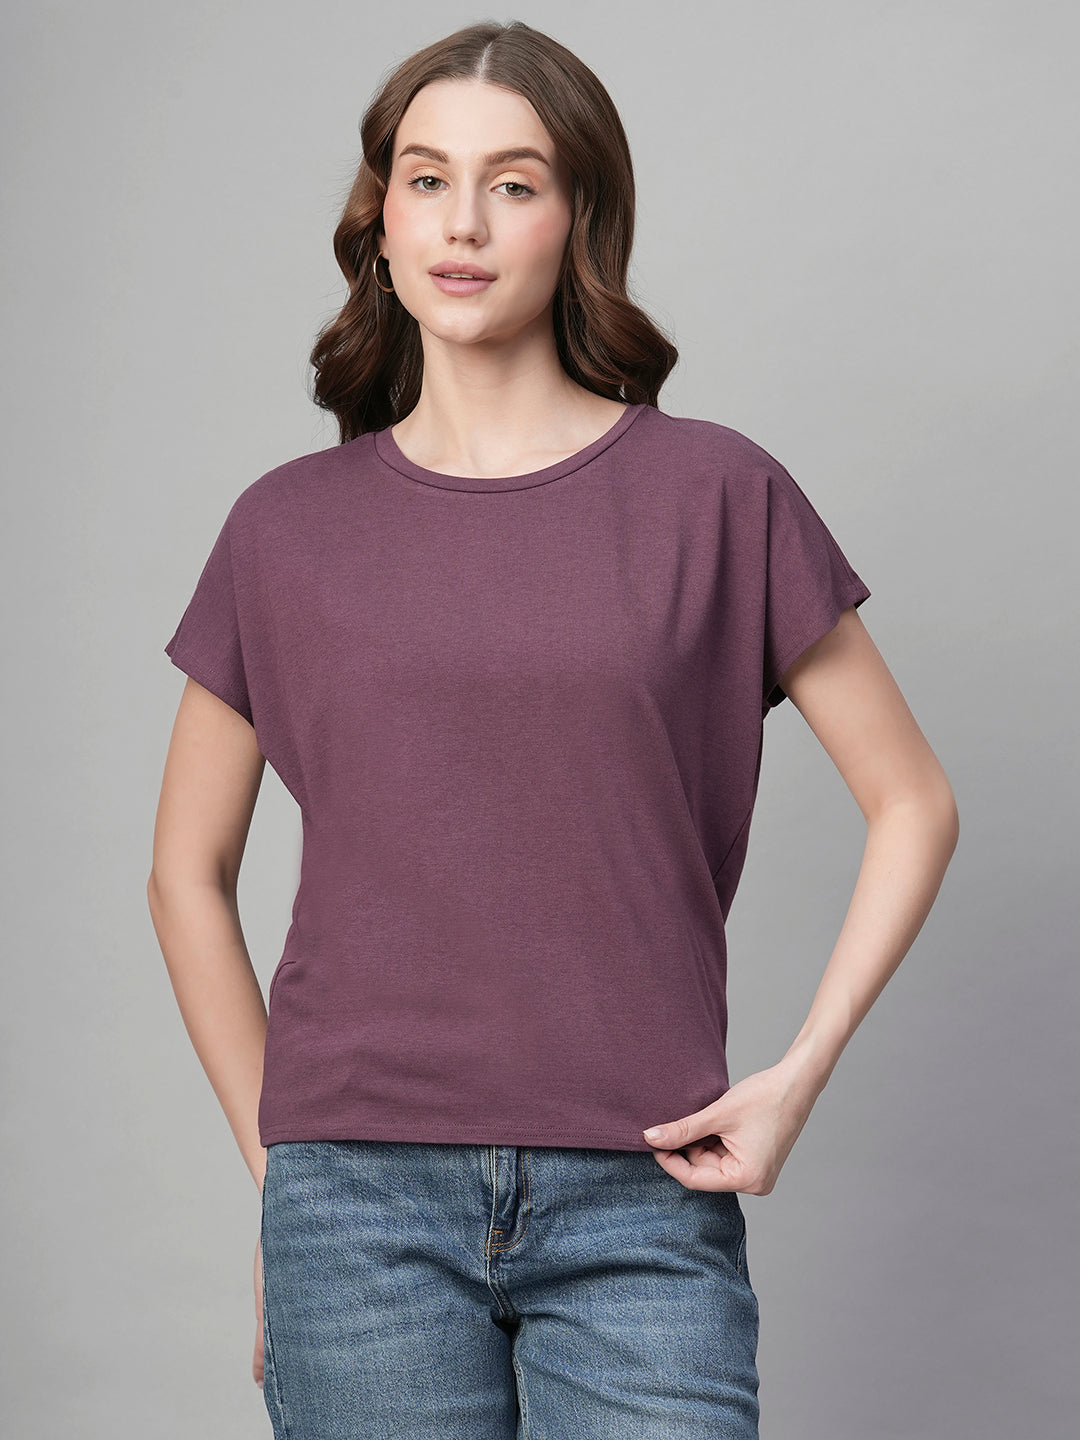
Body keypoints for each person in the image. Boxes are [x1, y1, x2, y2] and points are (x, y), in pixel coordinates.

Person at [147, 20, 959, 1440]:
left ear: (581, 217)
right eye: (426, 179)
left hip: (644, 1193)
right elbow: (183, 874)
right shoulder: (285, 529)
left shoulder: (719, 497)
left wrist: (795, 1081)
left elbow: (914, 802)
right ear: (381, 218)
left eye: (513, 183)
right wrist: (291, 1183)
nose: (462, 223)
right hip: (358, 1205)